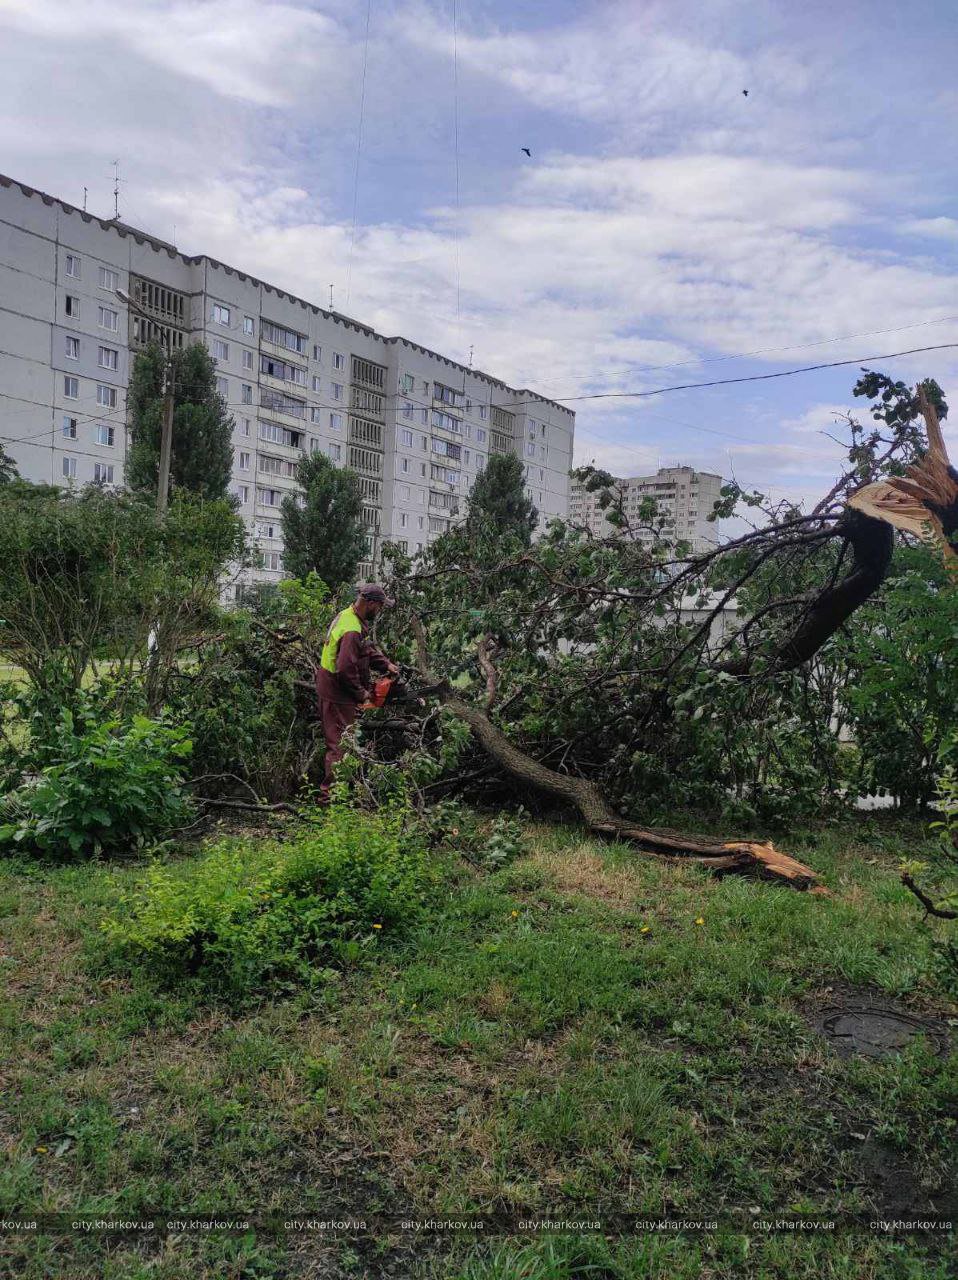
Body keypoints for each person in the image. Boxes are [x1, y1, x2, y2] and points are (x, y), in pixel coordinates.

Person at [315, 583, 398, 805]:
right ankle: (328, 800)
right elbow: (345, 669)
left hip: (333, 687)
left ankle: (342, 792)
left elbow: (365, 649)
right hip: (336, 690)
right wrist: (362, 694)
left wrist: (385, 665)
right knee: (339, 746)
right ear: (370, 603)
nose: (379, 611)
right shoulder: (352, 630)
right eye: (379, 607)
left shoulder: (348, 616)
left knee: (344, 742)